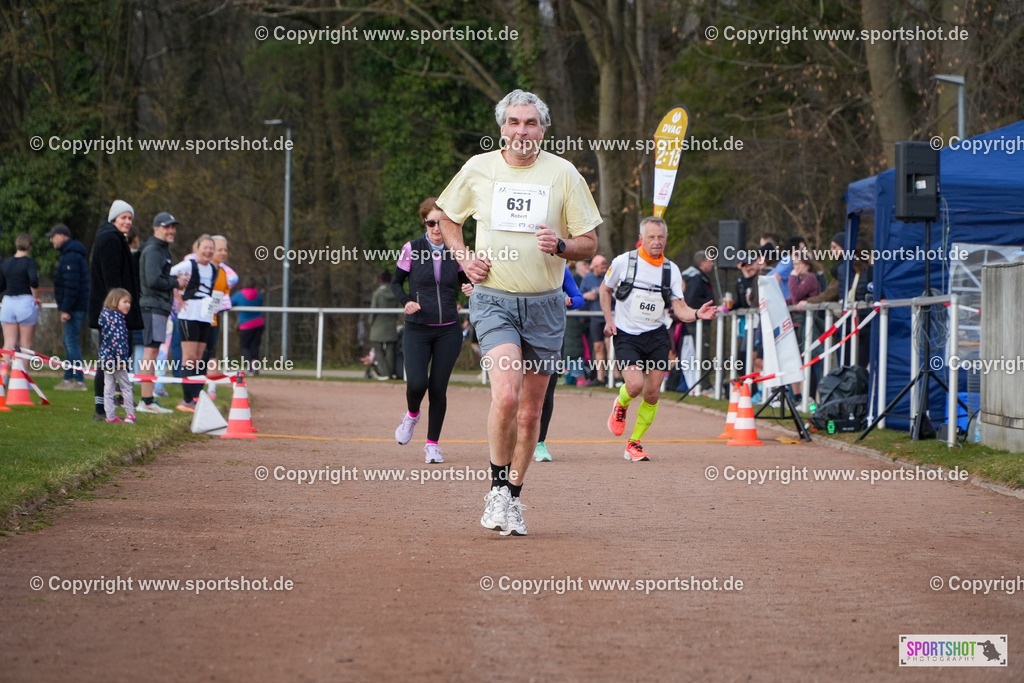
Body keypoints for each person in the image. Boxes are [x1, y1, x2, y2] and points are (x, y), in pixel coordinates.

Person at [437, 88, 601, 536]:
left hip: (546, 304)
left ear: (544, 129)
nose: (522, 131)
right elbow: (446, 215)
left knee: (531, 414)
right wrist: (463, 257)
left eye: (530, 123)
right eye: (514, 123)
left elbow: (590, 240)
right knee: (505, 395)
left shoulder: (563, 174)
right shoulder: (479, 168)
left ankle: (512, 495)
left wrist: (563, 246)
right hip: (494, 299)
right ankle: (494, 489)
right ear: (501, 128)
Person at [600, 217, 717, 462]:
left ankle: (634, 443)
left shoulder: (671, 270)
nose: (656, 242)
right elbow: (605, 289)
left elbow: (680, 307)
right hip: (627, 334)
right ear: (641, 238)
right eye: (651, 237)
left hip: (657, 335)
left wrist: (696, 314)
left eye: (660, 237)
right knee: (634, 386)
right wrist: (609, 320)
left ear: (666, 239)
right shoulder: (624, 262)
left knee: (652, 394)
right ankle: (620, 404)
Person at [391, 197, 474, 463]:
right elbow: (396, 283)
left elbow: (467, 280)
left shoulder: (456, 250)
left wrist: (470, 287)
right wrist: (406, 302)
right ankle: (412, 414)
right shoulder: (412, 248)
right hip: (417, 328)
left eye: (441, 222)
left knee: (438, 388)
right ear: (424, 222)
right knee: (417, 384)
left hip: (448, 329)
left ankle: (432, 445)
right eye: (431, 222)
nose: (437, 228)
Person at [88, 200, 143, 421]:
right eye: (123, 217)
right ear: (114, 219)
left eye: (130, 218)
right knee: (108, 360)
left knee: (116, 359)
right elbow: (112, 279)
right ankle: (101, 408)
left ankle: (112, 403)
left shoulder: (115, 238)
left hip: (115, 310)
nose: (128, 222)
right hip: (113, 312)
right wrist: (119, 308)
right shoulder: (110, 239)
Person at [534, 266, 585, 462]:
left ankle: (539, 442)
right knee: (516, 392)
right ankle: (517, 439)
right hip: (521, 336)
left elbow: (578, 298)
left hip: (552, 337)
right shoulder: (521, 265)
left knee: (547, 392)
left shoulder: (560, 270)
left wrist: (569, 301)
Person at [137, 212, 183, 413]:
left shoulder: (162, 249)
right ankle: (147, 400)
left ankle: (148, 399)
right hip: (153, 306)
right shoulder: (154, 249)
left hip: (158, 306)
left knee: (153, 351)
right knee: (151, 352)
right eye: (167, 227)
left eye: (173, 227)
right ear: (156, 228)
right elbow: (153, 280)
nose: (171, 230)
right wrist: (176, 282)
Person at [169, 235, 219, 412]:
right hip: (189, 313)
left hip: (205, 315)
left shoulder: (214, 269)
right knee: (189, 357)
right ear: (197, 248)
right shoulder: (189, 265)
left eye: (211, 248)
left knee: (200, 358)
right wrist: (177, 296)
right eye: (205, 247)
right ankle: (187, 399)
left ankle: (197, 397)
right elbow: (168, 274)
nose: (208, 251)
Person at [48, 224, 90, 390]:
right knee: (68, 340)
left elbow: (71, 286)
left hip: (73, 307)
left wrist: (66, 308)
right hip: (74, 306)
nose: (51, 240)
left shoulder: (70, 257)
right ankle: (69, 377)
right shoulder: (71, 255)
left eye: (53, 236)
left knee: (71, 341)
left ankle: (78, 380)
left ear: (62, 236)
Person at [0, 233, 42, 377]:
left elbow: (1, 285)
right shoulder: (30, 263)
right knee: (25, 344)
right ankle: (23, 378)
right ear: (30, 246)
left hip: (8, 302)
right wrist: (35, 297)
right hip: (24, 302)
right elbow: (34, 281)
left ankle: (3, 377)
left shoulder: (5, 263)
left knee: (8, 343)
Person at [203, 235, 236, 398]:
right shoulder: (203, 269)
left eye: (225, 250)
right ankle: (191, 393)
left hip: (214, 319)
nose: (223, 253)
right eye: (219, 249)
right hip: (198, 320)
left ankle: (211, 390)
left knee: (212, 353)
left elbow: (224, 296)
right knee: (197, 356)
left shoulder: (223, 272)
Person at [98, 287, 137, 424]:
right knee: (125, 386)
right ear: (115, 302)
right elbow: (119, 341)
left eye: (129, 302)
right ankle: (130, 414)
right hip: (116, 360)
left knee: (108, 387)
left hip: (106, 359)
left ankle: (110, 415)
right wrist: (122, 360)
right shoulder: (118, 321)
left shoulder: (106, 317)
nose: (128, 305)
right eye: (125, 302)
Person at [579, 254, 608, 385]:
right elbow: (579, 296)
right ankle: (600, 377)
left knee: (611, 346)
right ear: (595, 267)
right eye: (601, 267)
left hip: (609, 316)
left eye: (605, 267)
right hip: (595, 317)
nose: (604, 269)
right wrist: (586, 296)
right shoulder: (588, 279)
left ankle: (616, 377)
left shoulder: (609, 276)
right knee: (598, 347)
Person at [368, 271, 401, 380]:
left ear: (381, 280)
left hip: (378, 325)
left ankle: (384, 373)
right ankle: (390, 372)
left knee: (378, 349)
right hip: (391, 325)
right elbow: (396, 310)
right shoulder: (395, 293)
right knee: (390, 350)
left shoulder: (377, 294)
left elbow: (373, 310)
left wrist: (370, 322)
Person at [231, 276, 264, 373]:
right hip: (259, 323)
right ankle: (255, 368)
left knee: (244, 346)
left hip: (246, 325)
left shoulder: (239, 294)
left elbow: (230, 303)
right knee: (255, 346)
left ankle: (252, 362)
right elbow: (261, 303)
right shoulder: (259, 294)